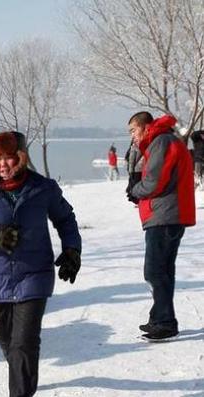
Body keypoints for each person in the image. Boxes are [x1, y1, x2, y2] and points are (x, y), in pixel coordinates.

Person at [0, 131, 82, 397]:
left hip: (34, 274)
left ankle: (21, 390)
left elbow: (66, 219)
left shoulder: (43, 188)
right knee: (3, 335)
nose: (2, 164)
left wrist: (72, 249)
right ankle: (21, 370)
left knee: (24, 342)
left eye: (8, 157)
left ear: (21, 156)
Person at [127, 112, 195, 340]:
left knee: (155, 270)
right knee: (163, 270)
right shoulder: (162, 141)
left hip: (165, 215)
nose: (132, 137)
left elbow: (155, 181)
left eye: (133, 131)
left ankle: (164, 322)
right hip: (166, 214)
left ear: (146, 127)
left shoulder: (162, 141)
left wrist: (134, 191)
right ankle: (162, 319)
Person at [124, 139, 144, 204]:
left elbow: (131, 159)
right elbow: (130, 159)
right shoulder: (134, 146)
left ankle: (135, 198)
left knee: (135, 183)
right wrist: (130, 170)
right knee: (134, 183)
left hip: (137, 169)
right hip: (136, 169)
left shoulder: (138, 146)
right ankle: (134, 198)